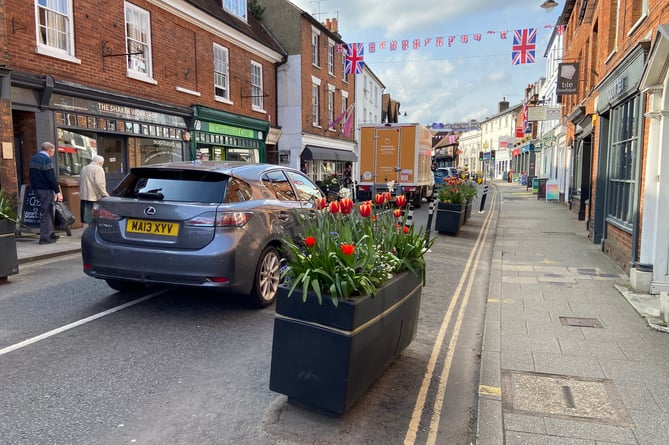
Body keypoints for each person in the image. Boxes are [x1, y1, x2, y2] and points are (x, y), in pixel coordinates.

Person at [29, 141, 62, 244]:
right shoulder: (46, 160)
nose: (53, 153)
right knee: (47, 212)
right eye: (53, 151)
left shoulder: (34, 158)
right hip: (45, 189)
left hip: (36, 188)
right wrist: (58, 191)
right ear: (50, 149)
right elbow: (51, 177)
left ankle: (50, 233)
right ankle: (45, 238)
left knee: (47, 211)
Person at [78, 155, 109, 224]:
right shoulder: (98, 169)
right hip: (93, 197)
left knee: (85, 219)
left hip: (83, 196)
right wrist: (104, 194)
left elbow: (79, 181)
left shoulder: (84, 168)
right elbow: (99, 183)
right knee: (93, 220)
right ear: (100, 163)